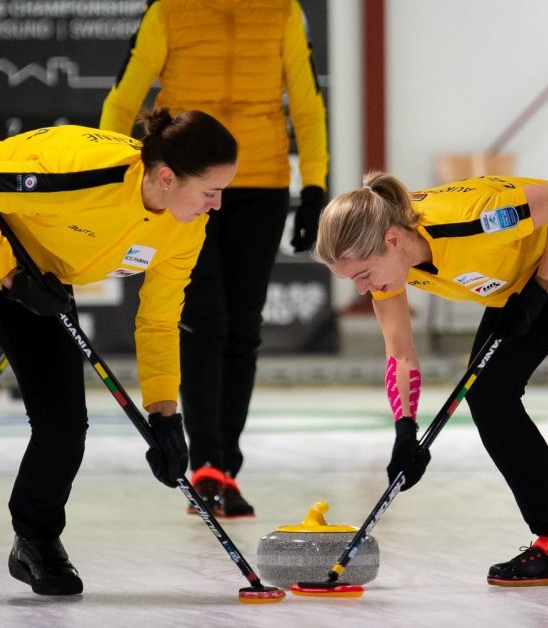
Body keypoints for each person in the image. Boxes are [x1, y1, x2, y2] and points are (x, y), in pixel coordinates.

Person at [0, 108, 238, 604]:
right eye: (211, 191)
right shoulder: (83, 173)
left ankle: (34, 538)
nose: (219, 204)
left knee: (63, 420)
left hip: (35, 266)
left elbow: (159, 320)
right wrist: (10, 278)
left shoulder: (186, 227)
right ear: (166, 177)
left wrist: (165, 412)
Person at [314, 171, 548, 585]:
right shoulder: (388, 263)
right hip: (533, 274)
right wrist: (405, 432)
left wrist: (542, 287)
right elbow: (401, 352)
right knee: (488, 393)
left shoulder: (472, 221)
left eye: (362, 275)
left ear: (392, 239)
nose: (361, 289)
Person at [99, 0, 329, 518]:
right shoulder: (169, 10)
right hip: (184, 182)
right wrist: (115, 175)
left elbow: (308, 101)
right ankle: (205, 462)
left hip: (262, 182)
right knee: (203, 319)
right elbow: (123, 97)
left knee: (244, 325)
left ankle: (226, 466)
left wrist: (313, 184)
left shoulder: (282, 11)